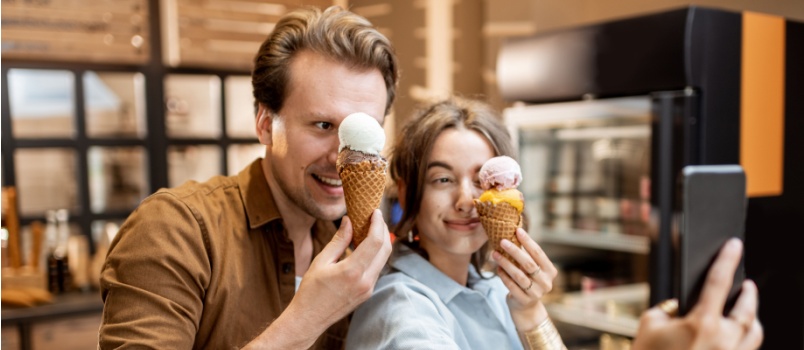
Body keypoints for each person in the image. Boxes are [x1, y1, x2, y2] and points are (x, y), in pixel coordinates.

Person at [345, 96, 763, 349]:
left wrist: (530, 312)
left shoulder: (491, 287)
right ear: (406, 189)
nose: (467, 200)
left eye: (482, 179)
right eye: (442, 179)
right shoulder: (399, 304)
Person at [98, 6, 397, 349]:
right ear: (266, 124)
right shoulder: (175, 230)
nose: (341, 157)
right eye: (322, 125)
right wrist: (307, 318)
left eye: (362, 131)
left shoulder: (355, 255)